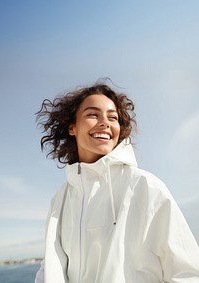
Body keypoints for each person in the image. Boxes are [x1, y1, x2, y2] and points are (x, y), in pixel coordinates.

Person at [35, 81, 199, 283]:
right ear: (72, 127)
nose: (105, 122)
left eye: (113, 117)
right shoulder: (60, 200)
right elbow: (49, 270)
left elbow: (187, 273)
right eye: (93, 114)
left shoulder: (144, 185)